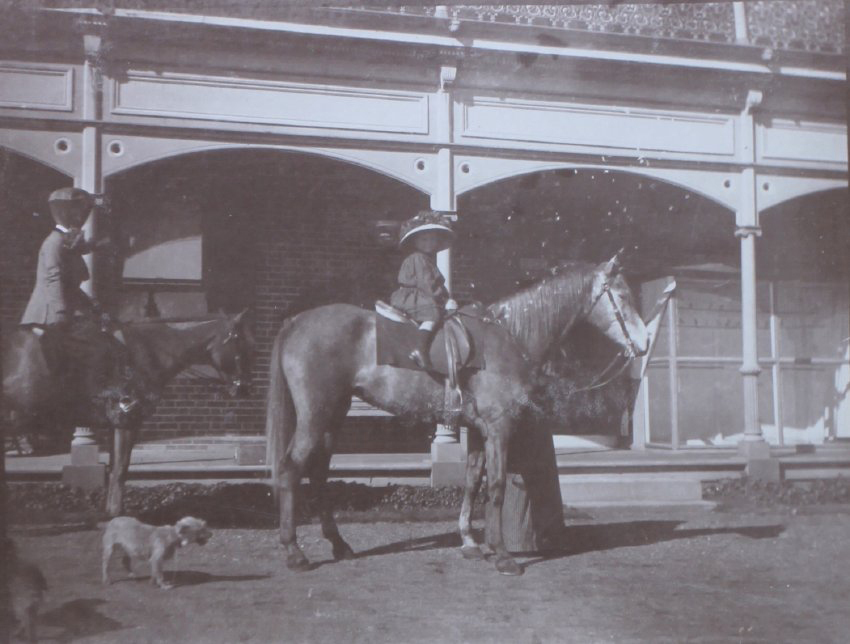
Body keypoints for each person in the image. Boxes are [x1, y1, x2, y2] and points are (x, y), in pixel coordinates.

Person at [21, 187, 139, 420]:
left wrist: (102, 244)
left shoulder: (65, 241)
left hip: (68, 304)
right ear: (68, 213)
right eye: (78, 212)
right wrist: (60, 313)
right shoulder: (54, 243)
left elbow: (78, 258)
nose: (81, 218)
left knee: (107, 334)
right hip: (50, 311)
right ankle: (92, 398)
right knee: (93, 346)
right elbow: (54, 280)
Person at [390, 210, 458, 370]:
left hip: (422, 295)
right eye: (424, 239)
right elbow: (427, 284)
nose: (429, 243)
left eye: (432, 239)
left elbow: (436, 284)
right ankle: (419, 349)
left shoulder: (428, 259)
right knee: (432, 314)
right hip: (412, 296)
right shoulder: (418, 258)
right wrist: (444, 301)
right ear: (415, 242)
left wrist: (448, 298)